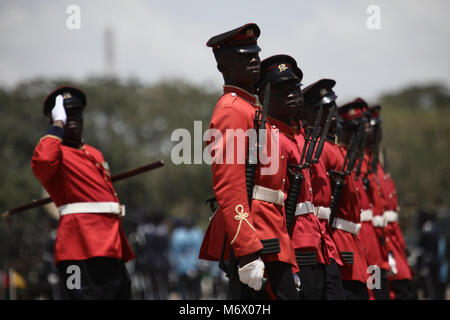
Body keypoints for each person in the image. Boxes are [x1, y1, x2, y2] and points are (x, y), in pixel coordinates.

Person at [198, 24, 298, 300]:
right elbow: (229, 184)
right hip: (256, 235)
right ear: (223, 68)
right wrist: (246, 251)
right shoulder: (232, 110)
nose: (254, 61)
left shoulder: (251, 108)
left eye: (255, 54)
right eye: (244, 57)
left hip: (271, 229)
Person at [31, 86, 135, 300]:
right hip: (78, 249)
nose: (72, 119)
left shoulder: (94, 153)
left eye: (76, 113)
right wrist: (57, 127)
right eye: (65, 114)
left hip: (110, 246)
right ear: (54, 118)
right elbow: (42, 162)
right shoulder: (56, 154)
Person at [299, 79, 346, 300]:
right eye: (323, 109)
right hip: (307, 238)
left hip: (324, 239)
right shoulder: (309, 145)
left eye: (332, 107)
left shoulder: (322, 145)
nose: (331, 113)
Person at [368, 105, 416, 299]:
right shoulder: (363, 166)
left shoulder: (377, 165)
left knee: (405, 288)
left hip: (391, 243)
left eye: (378, 127)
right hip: (375, 246)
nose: (378, 132)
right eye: (373, 127)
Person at [327, 100, 370, 300]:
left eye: (359, 129)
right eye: (352, 129)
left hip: (357, 247)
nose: (357, 135)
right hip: (341, 247)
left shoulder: (351, 160)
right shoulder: (336, 155)